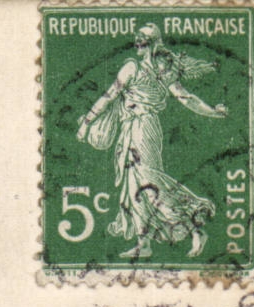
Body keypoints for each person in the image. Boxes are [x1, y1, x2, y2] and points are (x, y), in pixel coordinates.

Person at [76, 24, 227, 260]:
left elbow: (185, 98)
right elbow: (112, 95)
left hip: (142, 129)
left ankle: (194, 228)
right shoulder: (151, 69)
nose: (137, 43)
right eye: (136, 39)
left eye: (142, 39)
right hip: (132, 130)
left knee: (148, 182)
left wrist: (86, 123)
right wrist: (87, 123)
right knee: (133, 187)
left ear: (154, 42)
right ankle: (143, 243)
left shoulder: (148, 69)